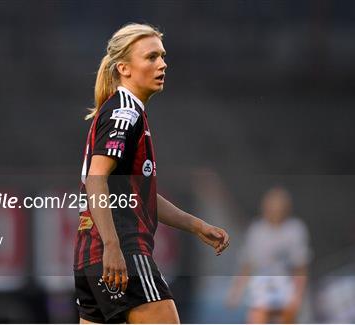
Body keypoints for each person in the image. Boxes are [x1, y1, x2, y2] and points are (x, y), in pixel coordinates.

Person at [74, 23, 230, 324]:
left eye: (162, 56)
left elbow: (139, 196)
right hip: (121, 252)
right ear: (124, 68)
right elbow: (96, 179)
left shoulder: (121, 110)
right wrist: (113, 246)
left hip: (88, 258)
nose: (162, 63)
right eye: (151, 57)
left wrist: (197, 226)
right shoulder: (125, 112)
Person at [226, 186, 310, 323]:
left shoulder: (295, 230)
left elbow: (300, 267)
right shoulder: (257, 230)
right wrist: (236, 291)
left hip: (286, 283)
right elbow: (247, 264)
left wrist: (298, 295)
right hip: (262, 284)